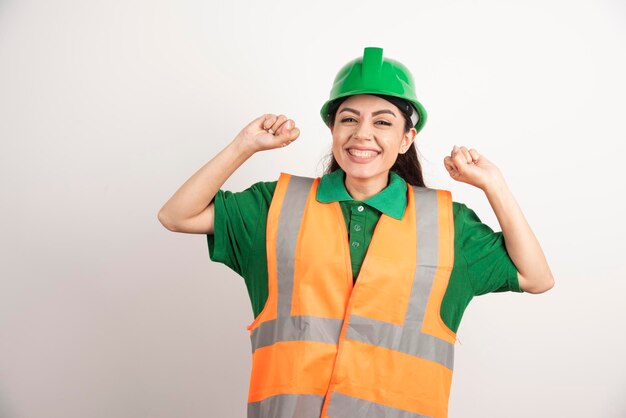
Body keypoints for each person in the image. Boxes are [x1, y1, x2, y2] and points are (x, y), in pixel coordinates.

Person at [157, 47, 554, 418]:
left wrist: (495, 185)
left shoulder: (448, 223)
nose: (363, 133)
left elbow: (536, 277)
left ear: (406, 139)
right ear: (332, 130)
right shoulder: (275, 205)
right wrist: (244, 145)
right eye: (349, 118)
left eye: (383, 122)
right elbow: (177, 216)